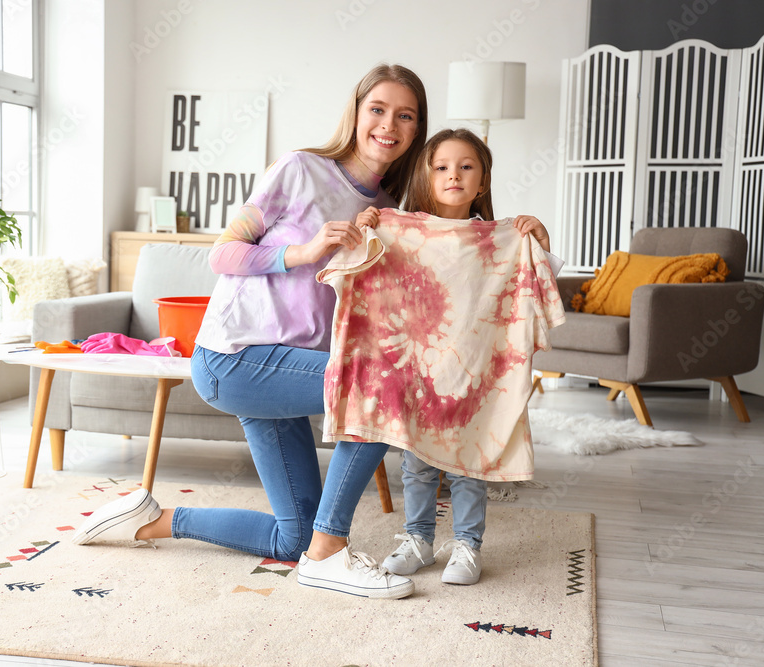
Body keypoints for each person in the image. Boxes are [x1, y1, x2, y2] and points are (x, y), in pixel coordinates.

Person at [72, 64, 429, 600]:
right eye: (377, 109)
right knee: (380, 388)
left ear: (416, 129)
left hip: (283, 367)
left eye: (405, 115)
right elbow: (222, 253)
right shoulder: (300, 169)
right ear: (356, 113)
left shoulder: (387, 212)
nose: (389, 124)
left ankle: (151, 519)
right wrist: (303, 253)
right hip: (234, 356)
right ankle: (329, 555)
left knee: (293, 538)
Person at [364, 127, 561, 586]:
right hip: (422, 369)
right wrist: (373, 228)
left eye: (466, 166)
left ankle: (468, 545)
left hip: (477, 370)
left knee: (470, 461)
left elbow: (537, 284)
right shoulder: (406, 231)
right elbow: (373, 273)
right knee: (415, 461)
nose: (454, 175)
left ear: (483, 180)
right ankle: (418, 540)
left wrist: (542, 243)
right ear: (426, 176)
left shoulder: (502, 236)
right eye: (442, 167)